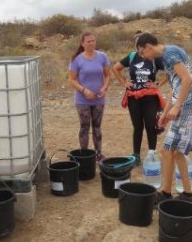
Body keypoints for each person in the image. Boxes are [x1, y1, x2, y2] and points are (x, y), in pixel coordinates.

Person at [135, 33, 192, 203]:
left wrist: (177, 106)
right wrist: (165, 113)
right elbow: (175, 86)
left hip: (187, 108)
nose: (143, 56)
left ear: (148, 46)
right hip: (184, 106)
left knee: (169, 150)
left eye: (142, 52)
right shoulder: (168, 54)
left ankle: (170, 193)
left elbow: (187, 80)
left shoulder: (169, 55)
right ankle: (183, 194)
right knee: (174, 152)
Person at [112, 32, 167, 164]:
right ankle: (136, 156)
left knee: (150, 125)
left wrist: (158, 85)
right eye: (138, 45)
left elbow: (170, 71)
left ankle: (151, 155)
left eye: (142, 45)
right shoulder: (132, 56)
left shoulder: (154, 57)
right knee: (137, 127)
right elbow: (116, 68)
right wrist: (124, 82)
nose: (140, 48)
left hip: (150, 97)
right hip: (133, 97)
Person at [68, 32, 112, 161]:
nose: (92, 43)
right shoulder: (77, 59)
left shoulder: (102, 56)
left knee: (97, 127)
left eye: (93, 41)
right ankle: (85, 155)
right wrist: (84, 90)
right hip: (82, 100)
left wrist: (104, 88)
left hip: (99, 98)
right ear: (82, 43)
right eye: (88, 41)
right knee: (84, 127)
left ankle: (99, 153)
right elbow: (72, 80)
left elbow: (108, 75)